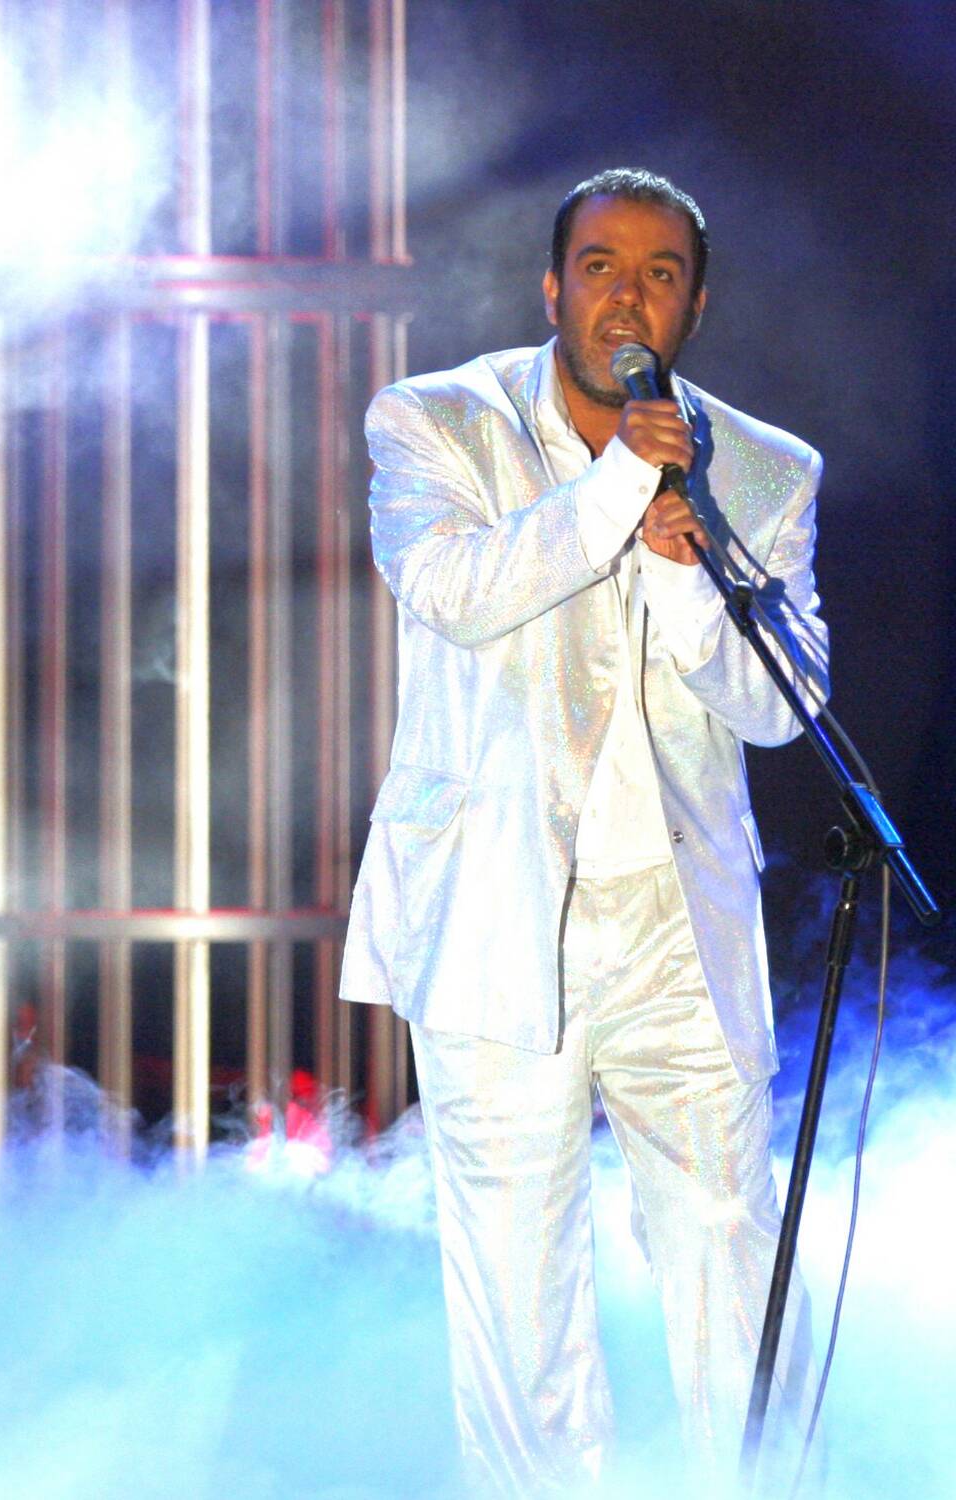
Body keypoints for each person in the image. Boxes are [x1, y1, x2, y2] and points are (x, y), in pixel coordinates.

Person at [339, 168, 825, 1494]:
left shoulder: (765, 469)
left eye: (661, 274)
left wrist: (681, 571)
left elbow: (783, 706)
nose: (628, 295)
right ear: (552, 289)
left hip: (678, 924)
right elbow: (453, 589)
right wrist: (618, 490)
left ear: (694, 308)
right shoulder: (436, 421)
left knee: (731, 1243)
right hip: (496, 911)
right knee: (516, 1276)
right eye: (601, 266)